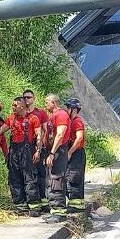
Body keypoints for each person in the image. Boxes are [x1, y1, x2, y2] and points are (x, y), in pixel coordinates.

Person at [0, 97, 43, 216]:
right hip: (14, 152)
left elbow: (39, 136)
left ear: (21, 106)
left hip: (27, 152)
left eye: (14, 105)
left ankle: (34, 207)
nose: (12, 107)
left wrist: (38, 151)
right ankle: (20, 206)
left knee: (29, 178)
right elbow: (0, 131)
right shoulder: (11, 119)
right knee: (14, 179)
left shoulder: (33, 119)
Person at [44, 93, 71, 223]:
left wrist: (52, 153)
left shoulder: (61, 115)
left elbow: (60, 135)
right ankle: (54, 210)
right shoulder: (53, 116)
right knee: (51, 180)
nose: (45, 104)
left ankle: (59, 213)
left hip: (58, 151)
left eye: (47, 102)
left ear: (54, 103)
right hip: (53, 150)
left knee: (57, 180)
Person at [23, 89, 49, 211]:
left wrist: (40, 147)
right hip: (25, 148)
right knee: (28, 174)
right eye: (25, 97)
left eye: (29, 97)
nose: (26, 99)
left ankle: (43, 201)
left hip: (38, 146)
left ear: (34, 98)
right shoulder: (22, 113)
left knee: (40, 174)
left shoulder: (41, 113)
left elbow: (45, 130)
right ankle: (32, 201)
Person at [64, 98, 86, 213]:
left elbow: (79, 138)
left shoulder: (77, 121)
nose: (66, 110)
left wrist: (70, 152)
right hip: (74, 152)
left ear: (73, 109)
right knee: (70, 177)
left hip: (77, 153)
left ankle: (75, 205)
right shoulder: (71, 121)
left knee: (74, 177)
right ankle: (75, 204)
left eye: (68, 108)